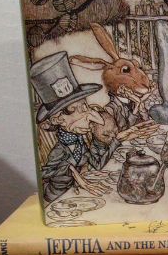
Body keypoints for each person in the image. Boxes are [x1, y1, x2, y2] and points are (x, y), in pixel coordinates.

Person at [30, 51, 148, 203]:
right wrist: (78, 177)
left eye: (84, 106)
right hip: (55, 199)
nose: (88, 115)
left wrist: (115, 140)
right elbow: (45, 173)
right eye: (75, 110)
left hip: (76, 196)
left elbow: (97, 164)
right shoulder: (59, 151)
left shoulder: (80, 141)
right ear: (58, 119)